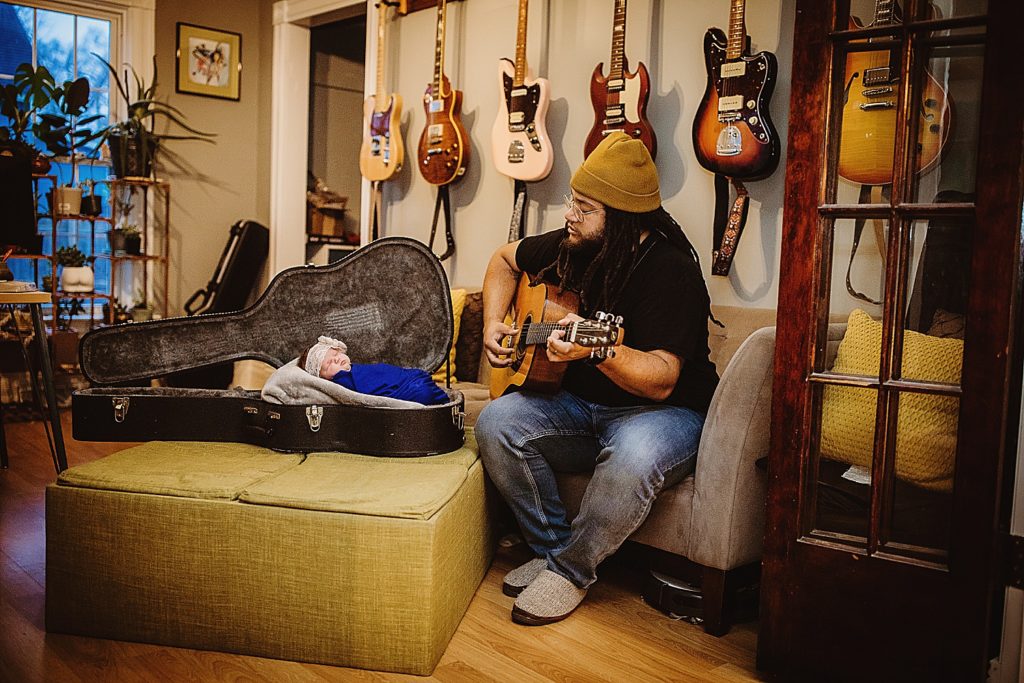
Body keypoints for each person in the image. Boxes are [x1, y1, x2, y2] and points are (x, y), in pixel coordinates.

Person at [475, 132, 719, 626]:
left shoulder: (671, 272)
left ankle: (571, 571)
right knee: (497, 423)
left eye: (584, 208)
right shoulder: (575, 244)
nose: (569, 214)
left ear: (622, 219)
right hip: (581, 409)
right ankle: (549, 551)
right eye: (572, 200)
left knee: (633, 456)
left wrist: (599, 350)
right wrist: (493, 323)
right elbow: (503, 260)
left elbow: (663, 379)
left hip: (664, 413)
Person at [299, 335, 449, 406]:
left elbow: (382, 374)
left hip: (408, 377)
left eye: (336, 354)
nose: (337, 359)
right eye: (329, 363)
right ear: (322, 378)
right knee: (422, 392)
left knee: (420, 384)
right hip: (407, 388)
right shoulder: (341, 380)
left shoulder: (354, 368)